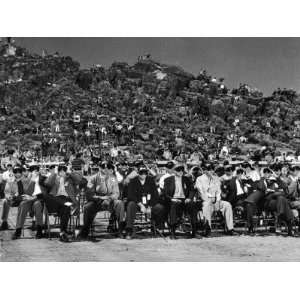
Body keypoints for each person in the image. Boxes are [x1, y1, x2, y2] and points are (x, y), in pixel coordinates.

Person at [78, 162, 122, 239]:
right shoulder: (93, 178)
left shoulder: (113, 178)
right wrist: (99, 198)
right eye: (102, 167)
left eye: (107, 167)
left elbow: (116, 193)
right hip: (97, 201)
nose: (105, 169)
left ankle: (121, 229)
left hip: (109, 200)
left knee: (119, 203)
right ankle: (85, 231)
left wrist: (109, 198)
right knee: (87, 207)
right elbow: (89, 193)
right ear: (99, 167)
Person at [195, 163, 235, 236]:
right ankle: (208, 229)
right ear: (205, 171)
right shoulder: (199, 179)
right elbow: (201, 192)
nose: (211, 171)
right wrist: (210, 197)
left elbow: (218, 191)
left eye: (212, 170)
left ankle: (230, 229)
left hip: (216, 200)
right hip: (206, 200)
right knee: (206, 205)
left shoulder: (216, 178)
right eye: (209, 170)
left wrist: (217, 198)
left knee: (227, 205)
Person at [163, 164, 200, 239]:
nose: (180, 172)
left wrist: (189, 198)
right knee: (173, 206)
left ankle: (194, 231)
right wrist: (171, 199)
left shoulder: (186, 179)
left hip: (184, 199)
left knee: (192, 205)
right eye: (178, 170)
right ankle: (172, 232)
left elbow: (192, 190)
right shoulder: (168, 180)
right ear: (174, 171)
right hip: (173, 199)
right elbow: (165, 193)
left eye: (182, 170)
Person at [44, 165, 78, 242]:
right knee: (48, 197)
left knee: (66, 208)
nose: (62, 173)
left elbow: (79, 180)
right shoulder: (54, 178)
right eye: (60, 171)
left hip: (66, 199)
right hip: (55, 200)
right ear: (58, 171)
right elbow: (47, 183)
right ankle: (63, 232)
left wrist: (70, 172)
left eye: (64, 171)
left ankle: (62, 233)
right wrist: (55, 173)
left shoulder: (70, 178)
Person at [125, 165, 159, 239]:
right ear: (138, 173)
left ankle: (157, 228)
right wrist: (140, 205)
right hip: (137, 202)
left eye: (145, 173)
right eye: (141, 173)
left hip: (149, 202)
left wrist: (150, 206)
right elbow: (131, 195)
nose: (143, 175)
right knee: (131, 205)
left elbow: (155, 195)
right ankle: (129, 230)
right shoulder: (133, 181)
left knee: (159, 207)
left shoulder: (150, 180)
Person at [11, 166, 45, 239]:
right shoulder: (26, 181)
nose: (34, 173)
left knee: (37, 205)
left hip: (38, 200)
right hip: (29, 201)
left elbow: (45, 194)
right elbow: (26, 194)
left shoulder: (43, 179)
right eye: (33, 171)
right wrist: (32, 182)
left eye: (36, 171)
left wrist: (33, 198)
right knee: (23, 204)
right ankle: (18, 230)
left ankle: (39, 230)